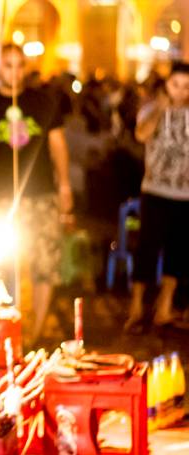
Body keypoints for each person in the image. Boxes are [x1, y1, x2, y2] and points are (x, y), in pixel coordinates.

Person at [0, 44, 71, 344]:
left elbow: (58, 145)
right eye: (8, 65)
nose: (14, 71)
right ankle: (0, 331)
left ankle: (35, 332)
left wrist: (64, 186)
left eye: (19, 65)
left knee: (44, 263)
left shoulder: (43, 101)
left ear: (26, 67)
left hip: (40, 194)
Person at [126, 62, 189, 332]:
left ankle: (164, 307)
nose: (181, 91)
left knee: (178, 250)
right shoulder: (151, 109)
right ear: (166, 84)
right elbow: (141, 134)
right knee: (147, 248)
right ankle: (137, 308)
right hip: (154, 189)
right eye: (176, 85)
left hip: (184, 192)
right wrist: (161, 110)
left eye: (186, 87)